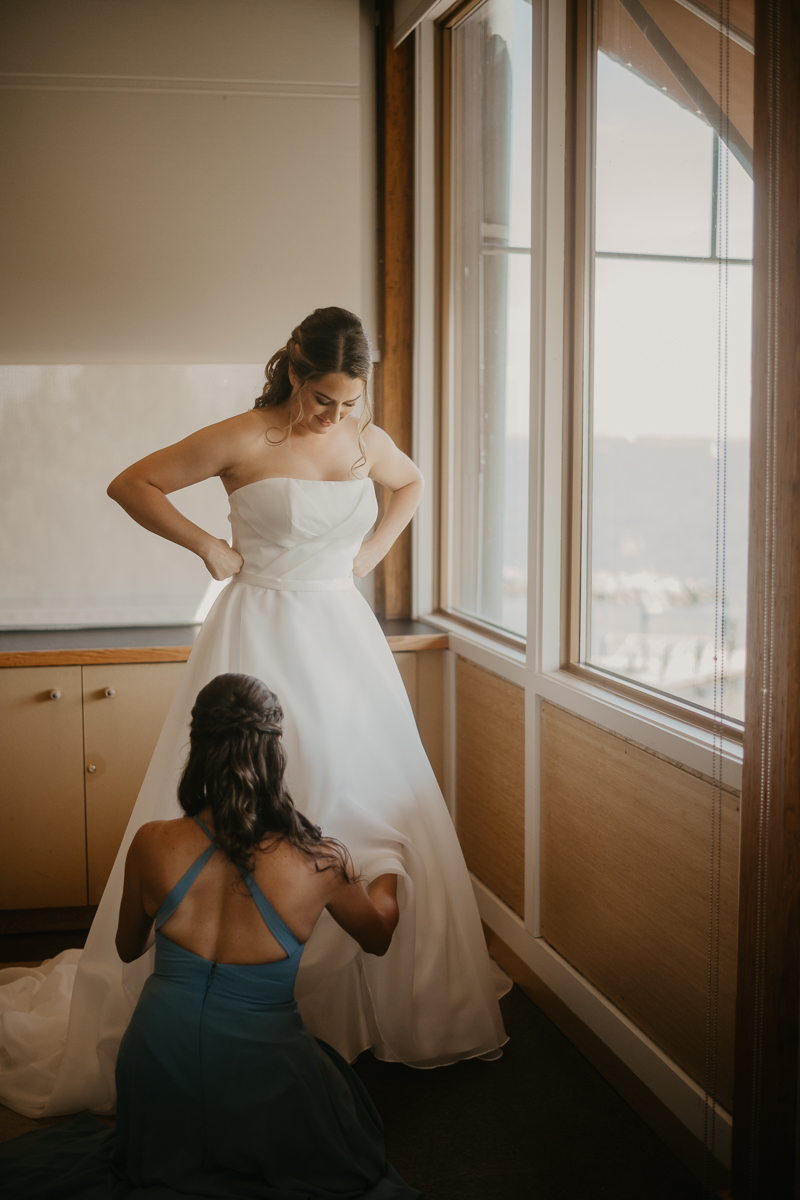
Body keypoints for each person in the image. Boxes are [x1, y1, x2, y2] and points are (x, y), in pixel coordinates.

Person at [0, 306, 507, 1121]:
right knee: (239, 797)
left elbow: (410, 483)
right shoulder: (244, 436)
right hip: (257, 628)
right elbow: (133, 482)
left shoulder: (361, 437)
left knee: (356, 794)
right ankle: (230, 989)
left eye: (348, 402)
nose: (334, 417)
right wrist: (208, 547)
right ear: (294, 373)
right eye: (322, 399)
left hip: (342, 636)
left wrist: (368, 555)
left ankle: (364, 1006)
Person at [0, 674, 422, 1199]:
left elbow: (129, 948)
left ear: (197, 749)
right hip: (263, 1067)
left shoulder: (152, 843)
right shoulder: (322, 861)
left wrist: (181, 922)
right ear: (274, 754)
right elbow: (378, 935)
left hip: (155, 1058)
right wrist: (387, 869)